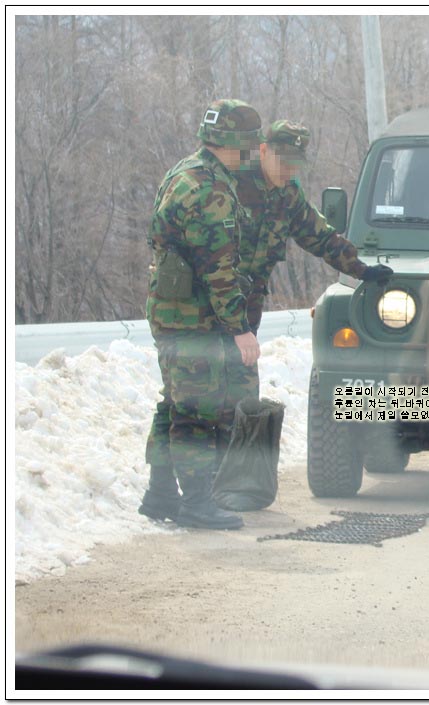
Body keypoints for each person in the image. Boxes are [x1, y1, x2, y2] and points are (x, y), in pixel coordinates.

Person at [138, 99, 263, 530]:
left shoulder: (182, 171)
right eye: (248, 146)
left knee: (174, 403)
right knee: (195, 408)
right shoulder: (211, 189)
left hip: (168, 311)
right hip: (193, 318)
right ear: (238, 144)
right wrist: (240, 329)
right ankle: (196, 503)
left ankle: (159, 494)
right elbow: (219, 271)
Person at [224, 119, 392, 409]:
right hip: (213, 302)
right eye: (282, 161)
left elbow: (321, 237)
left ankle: (235, 437)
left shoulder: (288, 194)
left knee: (242, 391)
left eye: (294, 164)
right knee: (202, 391)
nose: (288, 170)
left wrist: (361, 269)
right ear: (263, 150)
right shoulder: (232, 183)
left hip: (248, 306)